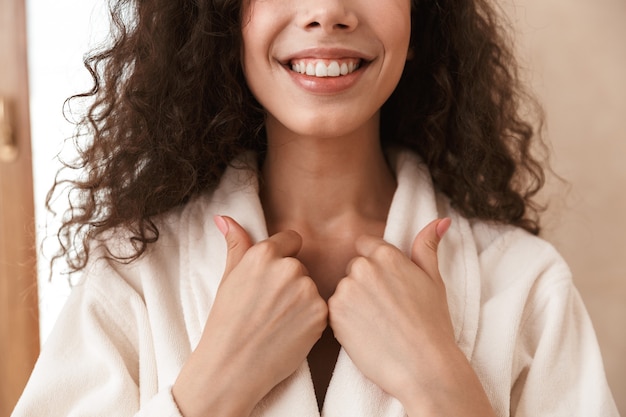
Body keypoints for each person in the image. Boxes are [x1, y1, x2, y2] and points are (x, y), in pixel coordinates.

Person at [13, 0, 619, 416]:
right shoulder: (132, 275)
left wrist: (442, 386)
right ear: (225, 16)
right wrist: (211, 388)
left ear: (420, 17)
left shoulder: (526, 283)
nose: (328, 9)